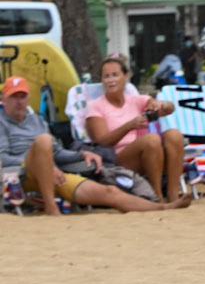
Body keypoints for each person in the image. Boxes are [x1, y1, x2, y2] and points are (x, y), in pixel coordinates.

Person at [0, 76, 167, 216]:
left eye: (22, 96)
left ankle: (163, 207)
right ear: (3, 99)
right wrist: (42, 163)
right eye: (14, 97)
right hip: (21, 176)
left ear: (28, 98)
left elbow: (57, 151)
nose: (19, 101)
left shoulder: (37, 120)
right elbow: (3, 158)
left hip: (52, 174)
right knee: (43, 140)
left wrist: (82, 155)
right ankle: (51, 208)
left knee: (110, 192)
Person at [84, 56, 191, 203]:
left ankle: (173, 193)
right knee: (151, 139)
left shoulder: (135, 100)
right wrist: (129, 126)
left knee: (174, 135)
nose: (110, 80)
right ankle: (156, 195)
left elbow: (168, 108)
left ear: (125, 76)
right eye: (106, 76)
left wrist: (161, 105)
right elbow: (101, 141)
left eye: (115, 75)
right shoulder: (95, 106)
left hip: (148, 154)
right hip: (117, 159)